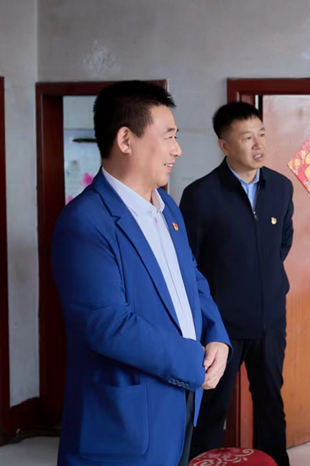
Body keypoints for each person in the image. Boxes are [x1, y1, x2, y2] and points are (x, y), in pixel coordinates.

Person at [51, 81, 231, 466]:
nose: (177, 150)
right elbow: (108, 324)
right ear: (125, 140)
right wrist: (194, 362)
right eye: (169, 136)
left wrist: (216, 333)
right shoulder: (85, 222)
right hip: (125, 423)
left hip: (179, 404)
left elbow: (192, 279)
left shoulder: (167, 207)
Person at [180, 102, 294, 465]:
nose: (258, 144)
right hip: (221, 327)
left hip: (269, 320)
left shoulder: (281, 187)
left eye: (261, 134)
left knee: (271, 403)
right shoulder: (201, 195)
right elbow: (189, 263)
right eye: (247, 137)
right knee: (212, 407)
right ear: (224, 145)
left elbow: (282, 245)